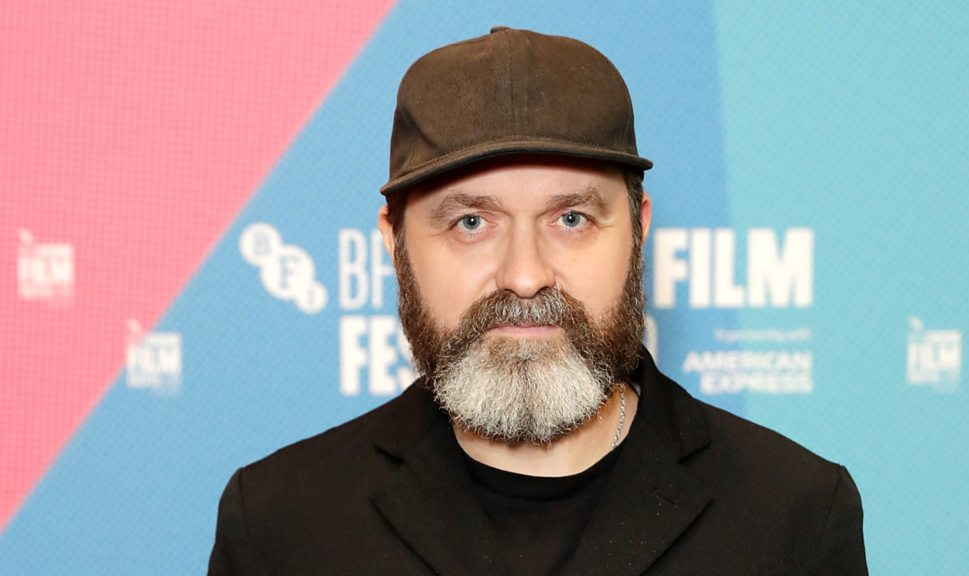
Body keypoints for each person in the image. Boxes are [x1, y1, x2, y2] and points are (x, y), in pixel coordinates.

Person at [208, 27, 867, 575]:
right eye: (471, 222)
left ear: (638, 232)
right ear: (394, 242)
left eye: (571, 219)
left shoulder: (794, 518)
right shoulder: (279, 527)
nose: (524, 276)